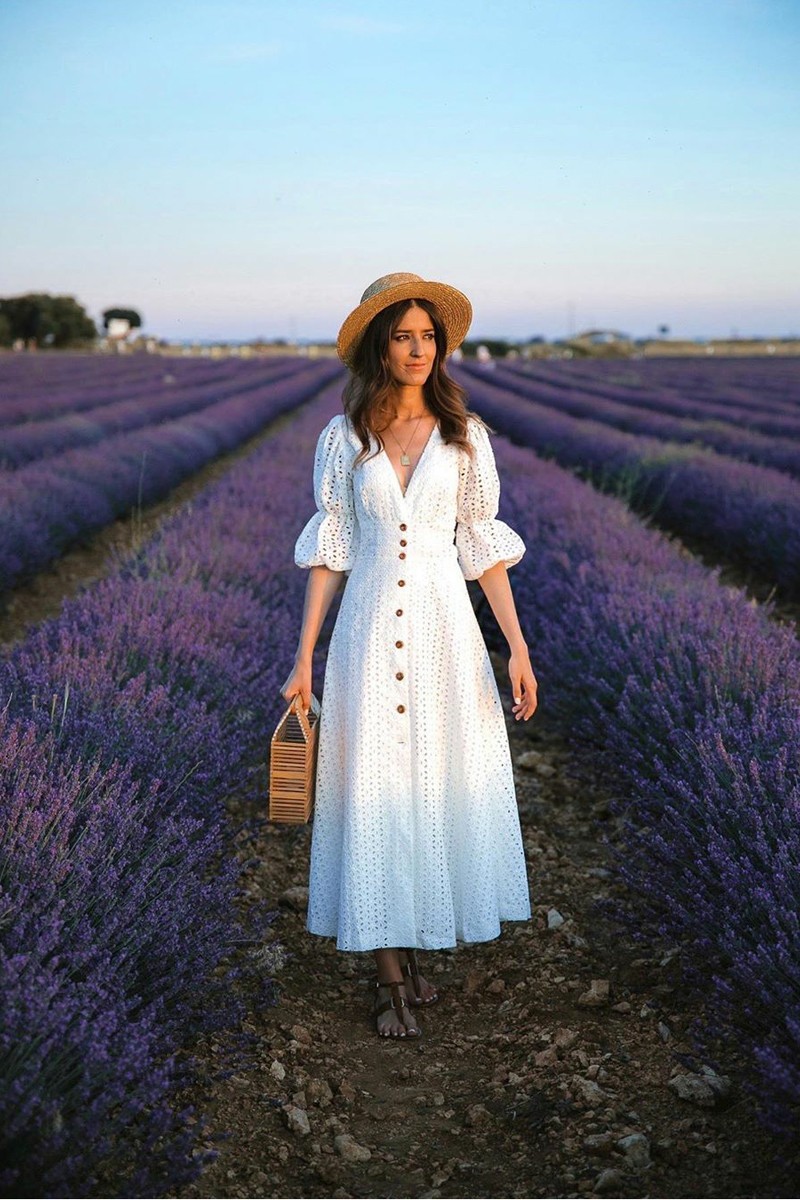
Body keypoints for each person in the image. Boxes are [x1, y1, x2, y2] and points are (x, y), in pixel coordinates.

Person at [281, 272, 538, 1040]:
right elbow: (331, 551)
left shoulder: (466, 437)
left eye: (429, 336)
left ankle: (415, 943)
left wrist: (517, 647)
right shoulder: (344, 438)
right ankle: (388, 975)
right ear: (379, 347)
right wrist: (303, 657)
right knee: (373, 784)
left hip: (443, 633)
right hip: (365, 633)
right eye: (403, 336)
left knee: (431, 781)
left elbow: (482, 549)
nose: (419, 349)